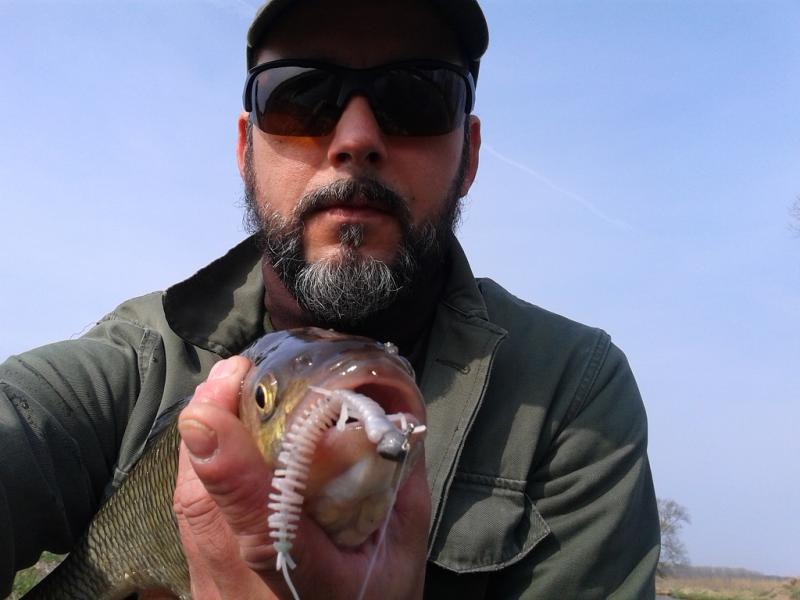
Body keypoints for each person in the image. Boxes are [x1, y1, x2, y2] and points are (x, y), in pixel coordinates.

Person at [0, 0, 660, 598]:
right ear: (245, 149)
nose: (355, 139)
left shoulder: (574, 396)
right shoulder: (131, 362)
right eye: (300, 96)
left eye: (417, 96)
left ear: (470, 155)